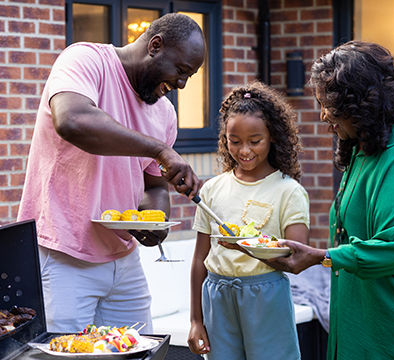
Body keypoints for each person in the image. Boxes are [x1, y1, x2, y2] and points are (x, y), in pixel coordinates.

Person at [17, 13, 205, 333]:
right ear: (155, 46)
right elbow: (72, 120)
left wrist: (156, 220)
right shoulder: (87, 60)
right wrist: (159, 150)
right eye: (181, 71)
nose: (182, 85)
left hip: (124, 261)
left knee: (138, 351)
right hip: (64, 255)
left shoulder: (164, 113)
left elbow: (154, 185)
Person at [269, 41, 394, 359]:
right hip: (367, 318)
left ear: (364, 104)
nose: (324, 115)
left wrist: (322, 257)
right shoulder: (367, 147)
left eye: (332, 107)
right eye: (321, 103)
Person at [188, 81, 310, 360]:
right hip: (217, 296)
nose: (244, 150)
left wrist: (244, 247)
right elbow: (199, 259)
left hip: (265, 295)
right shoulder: (212, 190)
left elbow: (296, 257)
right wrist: (196, 320)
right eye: (235, 141)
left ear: (273, 137)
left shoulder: (288, 191)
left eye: (255, 141)